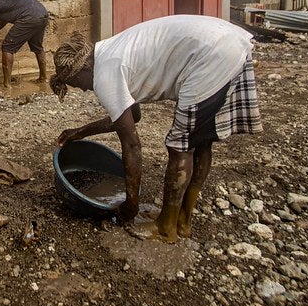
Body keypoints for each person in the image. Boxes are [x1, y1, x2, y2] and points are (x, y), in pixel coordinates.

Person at [50, 15, 262, 242]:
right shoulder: (109, 51)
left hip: (210, 54)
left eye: (76, 84)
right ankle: (182, 219)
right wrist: (81, 131)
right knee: (201, 141)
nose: (82, 90)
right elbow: (135, 115)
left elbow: (132, 144)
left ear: (82, 71)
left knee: (180, 145)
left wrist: (131, 204)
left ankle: (165, 227)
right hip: (224, 41)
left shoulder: (104, 75)